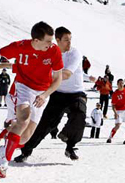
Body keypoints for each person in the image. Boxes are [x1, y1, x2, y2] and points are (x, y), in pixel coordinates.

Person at [0, 21, 63, 178]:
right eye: (48, 41)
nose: (52, 44)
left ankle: (2, 149)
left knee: (26, 138)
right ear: (36, 41)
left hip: (42, 93)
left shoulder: (53, 51)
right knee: (23, 119)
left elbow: (58, 79)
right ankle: (3, 165)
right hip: (23, 88)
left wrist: (45, 94)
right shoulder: (19, 47)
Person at [14, 26, 95, 163]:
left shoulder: (75, 53)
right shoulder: (48, 52)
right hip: (57, 93)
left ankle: (70, 145)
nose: (69, 43)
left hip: (76, 93)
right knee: (45, 124)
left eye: (70, 40)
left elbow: (67, 74)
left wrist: (43, 76)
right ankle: (26, 151)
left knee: (79, 114)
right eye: (66, 40)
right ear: (57, 40)